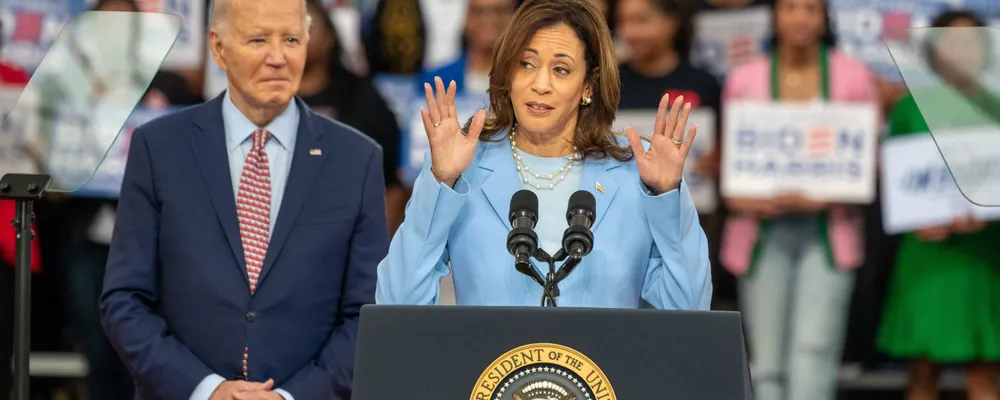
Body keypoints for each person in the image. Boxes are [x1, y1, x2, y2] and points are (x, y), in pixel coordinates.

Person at [98, 0, 387, 398]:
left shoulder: (357, 160)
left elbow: (367, 314)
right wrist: (206, 390)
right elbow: (124, 299)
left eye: (291, 39)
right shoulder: (158, 148)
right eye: (257, 39)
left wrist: (291, 397)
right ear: (218, 48)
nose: (277, 58)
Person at [375, 0, 712, 310]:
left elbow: (689, 310)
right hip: (488, 372)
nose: (540, 83)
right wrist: (440, 182)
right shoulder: (465, 165)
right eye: (526, 64)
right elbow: (398, 302)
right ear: (508, 73)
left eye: (561, 70)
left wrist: (667, 196)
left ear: (588, 87)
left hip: (606, 374)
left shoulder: (634, 171)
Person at [718, 0, 877, 399]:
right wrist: (740, 195)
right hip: (760, 229)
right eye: (789, 8)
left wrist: (828, 195)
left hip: (829, 231)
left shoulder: (853, 76)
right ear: (775, 16)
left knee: (815, 352)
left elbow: (866, 160)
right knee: (766, 361)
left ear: (825, 18)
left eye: (810, 9)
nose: (799, 18)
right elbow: (730, 160)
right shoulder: (745, 77)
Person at [877, 10, 1000, 400]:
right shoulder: (908, 108)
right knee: (921, 376)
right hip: (926, 254)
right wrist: (915, 220)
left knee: (983, 377)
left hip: (981, 254)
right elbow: (894, 181)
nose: (962, 49)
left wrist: (986, 214)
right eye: (952, 39)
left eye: (972, 40)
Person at [296, 0, 406, 235]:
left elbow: (393, 184)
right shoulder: (264, 100)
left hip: (353, 239)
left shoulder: (361, 96)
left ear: (329, 36)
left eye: (307, 24)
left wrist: (375, 248)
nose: (298, 33)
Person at [415, 0, 516, 96]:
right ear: (465, 19)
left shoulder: (525, 79)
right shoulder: (437, 80)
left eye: (500, 11)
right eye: (478, 12)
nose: (489, 19)